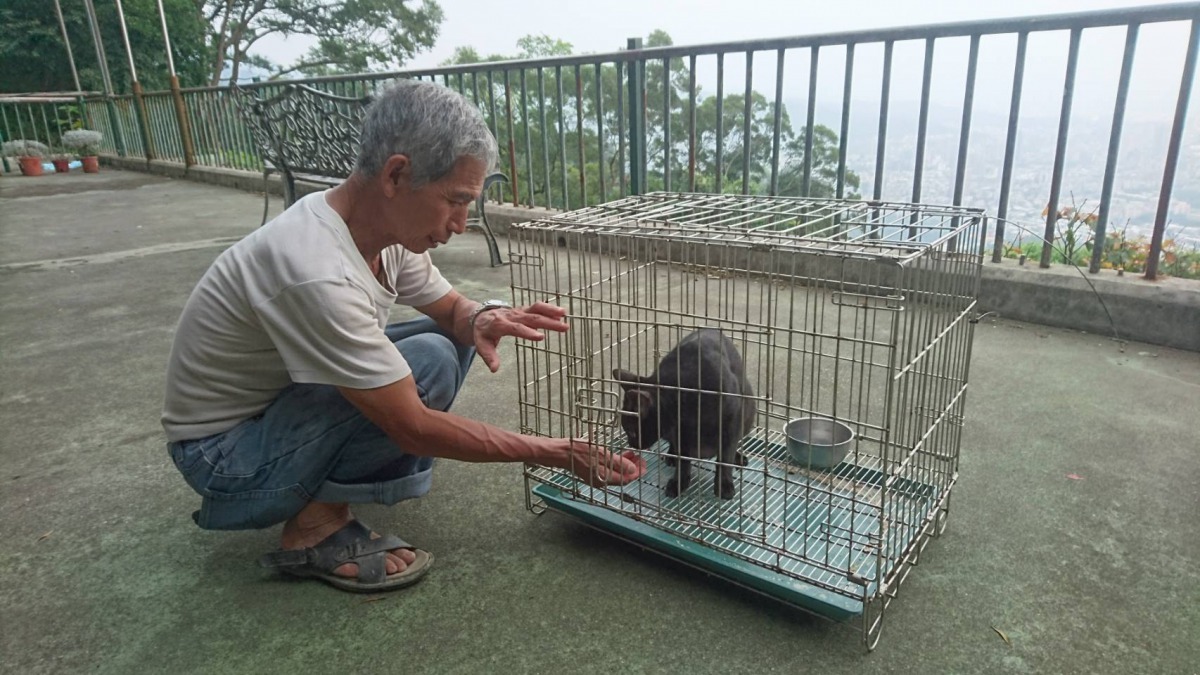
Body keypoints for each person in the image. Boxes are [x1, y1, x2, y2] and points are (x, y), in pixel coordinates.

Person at [161, 79, 645, 594]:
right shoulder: (314, 266)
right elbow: (413, 426)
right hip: (225, 459)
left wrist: (482, 317)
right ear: (396, 175)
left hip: (271, 413)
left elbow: (453, 309)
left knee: (448, 340)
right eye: (454, 201)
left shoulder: (382, 232)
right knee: (429, 362)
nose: (461, 224)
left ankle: (329, 479)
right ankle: (314, 525)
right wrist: (556, 452)